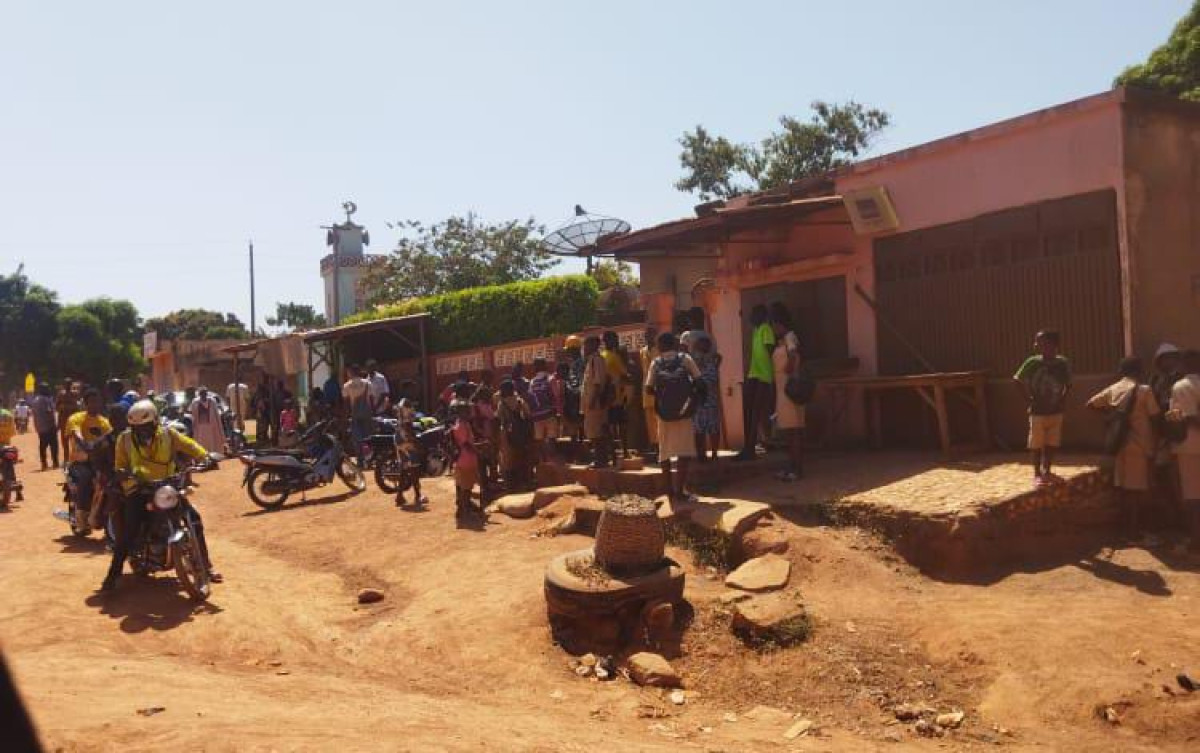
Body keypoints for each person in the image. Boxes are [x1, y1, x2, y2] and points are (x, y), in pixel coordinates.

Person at [100, 400, 220, 593]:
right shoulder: (124, 439)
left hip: (167, 486)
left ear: (155, 422)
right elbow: (120, 464)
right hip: (139, 489)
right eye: (137, 428)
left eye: (146, 426)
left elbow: (189, 445)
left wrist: (206, 457)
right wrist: (123, 474)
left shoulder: (168, 434)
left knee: (194, 520)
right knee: (129, 532)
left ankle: (206, 566)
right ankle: (112, 576)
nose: (141, 431)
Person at [1087, 357, 1159, 537]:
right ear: (1140, 371)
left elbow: (1090, 404)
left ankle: (1125, 528)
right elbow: (1155, 417)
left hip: (1120, 444)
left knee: (1125, 488)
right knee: (1136, 491)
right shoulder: (1144, 390)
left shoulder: (1114, 388)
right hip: (1140, 445)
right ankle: (1133, 532)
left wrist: (1111, 418)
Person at [646, 332, 702, 502]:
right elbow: (699, 380)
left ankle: (668, 491)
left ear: (660, 347)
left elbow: (648, 388)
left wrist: (663, 399)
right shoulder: (685, 359)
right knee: (684, 453)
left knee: (665, 453)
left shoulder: (656, 363)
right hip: (684, 413)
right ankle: (680, 491)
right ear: (675, 344)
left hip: (664, 416)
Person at [1014, 330, 1072, 485]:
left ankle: (1047, 469)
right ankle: (1037, 473)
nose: (1037, 345)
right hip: (1037, 412)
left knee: (1052, 442)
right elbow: (1017, 379)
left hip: (1056, 411)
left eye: (1042, 342)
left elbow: (1068, 384)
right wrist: (1028, 399)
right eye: (1037, 342)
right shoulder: (1032, 362)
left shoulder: (1062, 363)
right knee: (1036, 443)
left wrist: (1062, 400)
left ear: (1054, 345)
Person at [65, 389, 113, 531]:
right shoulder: (76, 418)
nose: (96, 404)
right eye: (92, 401)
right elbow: (76, 433)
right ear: (85, 404)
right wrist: (85, 444)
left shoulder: (104, 422)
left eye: (98, 401)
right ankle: (81, 517)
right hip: (80, 462)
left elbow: (110, 437)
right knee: (86, 478)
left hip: (99, 461)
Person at [1167, 350, 1200, 552]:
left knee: (1193, 497)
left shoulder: (1181, 386)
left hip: (1189, 446)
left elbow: (1188, 417)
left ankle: (1196, 542)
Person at [770, 303, 806, 481]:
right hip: (782, 390)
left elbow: (794, 356)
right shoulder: (781, 340)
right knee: (789, 432)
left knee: (794, 431)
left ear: (779, 323)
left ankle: (797, 470)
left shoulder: (790, 337)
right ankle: (792, 467)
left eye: (774, 325)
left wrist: (788, 371)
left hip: (790, 389)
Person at [736, 304, 776, 461]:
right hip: (754, 373)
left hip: (764, 375)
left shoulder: (766, 328)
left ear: (762, 316)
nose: (752, 317)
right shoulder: (755, 330)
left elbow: (770, 350)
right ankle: (749, 446)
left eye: (755, 314)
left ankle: (750, 447)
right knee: (749, 410)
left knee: (756, 412)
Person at [582, 335, 613, 468]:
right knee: (594, 432)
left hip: (595, 404)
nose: (584, 348)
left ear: (593, 346)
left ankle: (601, 460)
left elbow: (598, 384)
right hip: (591, 403)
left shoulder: (597, 360)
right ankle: (600, 459)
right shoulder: (591, 361)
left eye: (586, 345)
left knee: (597, 432)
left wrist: (593, 401)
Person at [497, 379, 534, 489]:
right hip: (521, 432)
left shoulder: (501, 403)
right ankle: (526, 481)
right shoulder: (519, 401)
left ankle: (511, 484)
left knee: (508, 459)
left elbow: (500, 419)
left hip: (507, 433)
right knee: (523, 456)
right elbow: (528, 415)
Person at [449, 399, 482, 520]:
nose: (470, 412)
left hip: (460, 459)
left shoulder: (458, 423)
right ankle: (465, 510)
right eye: (467, 410)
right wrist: (477, 451)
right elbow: (466, 444)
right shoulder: (463, 425)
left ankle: (462, 509)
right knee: (467, 488)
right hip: (466, 459)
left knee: (461, 485)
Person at [691, 335, 722, 463]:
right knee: (700, 430)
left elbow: (714, 379)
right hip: (700, 402)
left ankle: (713, 453)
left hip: (710, 401)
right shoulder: (694, 362)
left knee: (712, 429)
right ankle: (701, 454)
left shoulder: (711, 362)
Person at [601, 331, 631, 463]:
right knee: (621, 425)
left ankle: (612, 454)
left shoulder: (601, 356)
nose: (617, 341)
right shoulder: (613, 356)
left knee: (610, 427)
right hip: (617, 397)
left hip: (606, 398)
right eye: (615, 339)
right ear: (608, 340)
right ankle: (623, 452)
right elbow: (625, 374)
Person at [527, 358, 560, 463]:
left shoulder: (532, 381)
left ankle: (542, 462)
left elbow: (530, 397)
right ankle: (552, 461)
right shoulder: (550, 378)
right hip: (549, 413)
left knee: (539, 439)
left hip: (536, 416)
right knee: (551, 437)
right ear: (545, 365)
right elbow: (557, 395)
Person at [343, 365, 373, 461]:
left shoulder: (347, 386)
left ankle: (360, 459)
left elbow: (346, 403)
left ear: (351, 373)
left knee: (357, 438)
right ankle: (369, 458)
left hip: (355, 414)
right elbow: (371, 399)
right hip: (367, 413)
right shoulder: (367, 383)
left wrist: (347, 416)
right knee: (368, 436)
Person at [640, 327, 659, 458]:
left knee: (659, 419)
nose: (648, 337)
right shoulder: (642, 351)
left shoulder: (659, 350)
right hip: (646, 389)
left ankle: (660, 446)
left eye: (651, 334)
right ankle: (654, 444)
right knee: (649, 419)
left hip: (658, 389)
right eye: (647, 335)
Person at [31, 382, 58, 470]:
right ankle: (55, 462)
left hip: (40, 427)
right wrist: (54, 425)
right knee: (54, 444)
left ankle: (44, 464)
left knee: (42, 445)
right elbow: (49, 412)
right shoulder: (46, 400)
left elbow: (34, 414)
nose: (48, 390)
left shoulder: (35, 400)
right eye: (47, 388)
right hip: (49, 426)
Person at [189, 387, 225, 454]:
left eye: (205, 393)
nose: (204, 395)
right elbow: (192, 413)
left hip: (211, 427)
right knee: (201, 442)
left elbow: (216, 414)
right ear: (199, 394)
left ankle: (213, 454)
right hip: (200, 428)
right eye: (202, 394)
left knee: (212, 442)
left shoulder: (212, 401)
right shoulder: (195, 402)